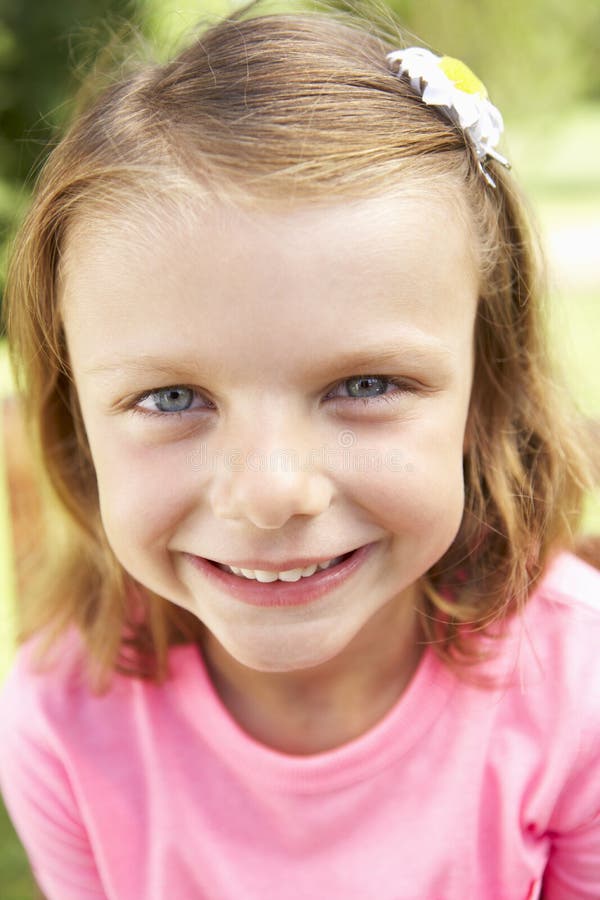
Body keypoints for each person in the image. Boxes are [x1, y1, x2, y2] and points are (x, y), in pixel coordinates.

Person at [1, 4, 599, 898]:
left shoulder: (578, 696)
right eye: (172, 398)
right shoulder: (62, 722)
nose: (272, 491)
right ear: (76, 423)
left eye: (364, 386)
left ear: (487, 393)